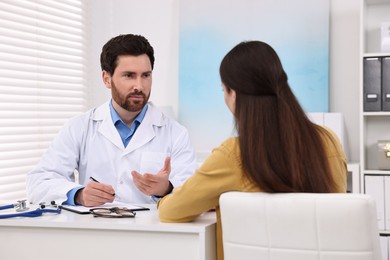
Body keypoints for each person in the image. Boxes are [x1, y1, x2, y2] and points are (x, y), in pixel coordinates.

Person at [157, 41, 348, 260]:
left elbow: (170, 212)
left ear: (234, 94)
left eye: (223, 90)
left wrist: (171, 194)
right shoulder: (328, 140)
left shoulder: (233, 155)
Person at [26, 34, 197, 207]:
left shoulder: (176, 133)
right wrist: (78, 194)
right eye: (129, 75)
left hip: (152, 232)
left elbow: (194, 192)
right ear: (107, 79)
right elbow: (38, 182)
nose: (139, 85)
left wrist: (166, 188)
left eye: (145, 75)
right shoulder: (79, 127)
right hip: (97, 231)